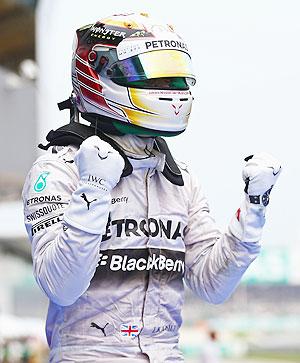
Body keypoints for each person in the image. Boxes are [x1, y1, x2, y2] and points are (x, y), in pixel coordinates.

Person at [22, 13, 281, 363]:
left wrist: (254, 209)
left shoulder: (180, 179)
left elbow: (212, 285)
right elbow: (61, 287)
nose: (173, 90)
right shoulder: (57, 170)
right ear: (98, 74)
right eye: (154, 74)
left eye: (175, 76)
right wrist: (94, 187)